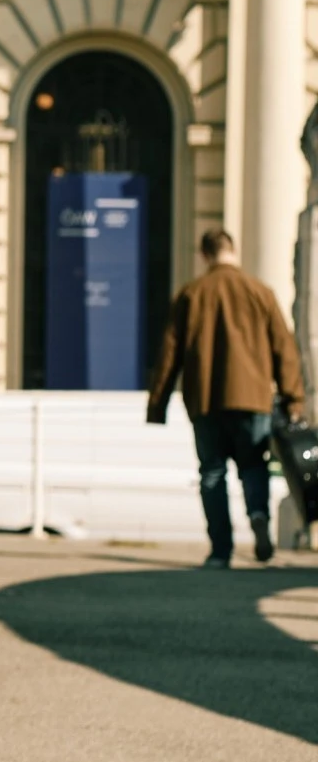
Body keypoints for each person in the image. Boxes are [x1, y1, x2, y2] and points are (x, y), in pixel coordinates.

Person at [147, 228, 305, 568]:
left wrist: (157, 404)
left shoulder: (191, 294)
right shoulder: (259, 292)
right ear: (232, 250)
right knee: (252, 465)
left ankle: (220, 551)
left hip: (206, 399)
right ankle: (259, 516)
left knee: (213, 473)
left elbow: (169, 353)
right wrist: (293, 398)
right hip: (253, 399)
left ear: (204, 255)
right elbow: (284, 349)